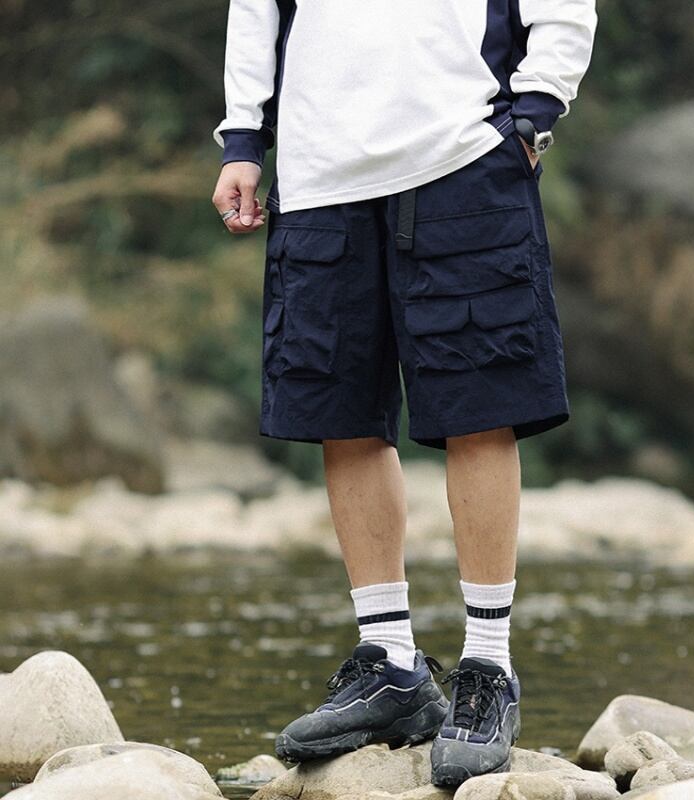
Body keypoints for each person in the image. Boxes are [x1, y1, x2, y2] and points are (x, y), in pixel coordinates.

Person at [211, 0, 596, 787]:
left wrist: (535, 110)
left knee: (480, 409)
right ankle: (389, 662)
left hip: (460, 151)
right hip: (319, 165)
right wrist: (244, 137)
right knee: (341, 415)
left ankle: (487, 668)